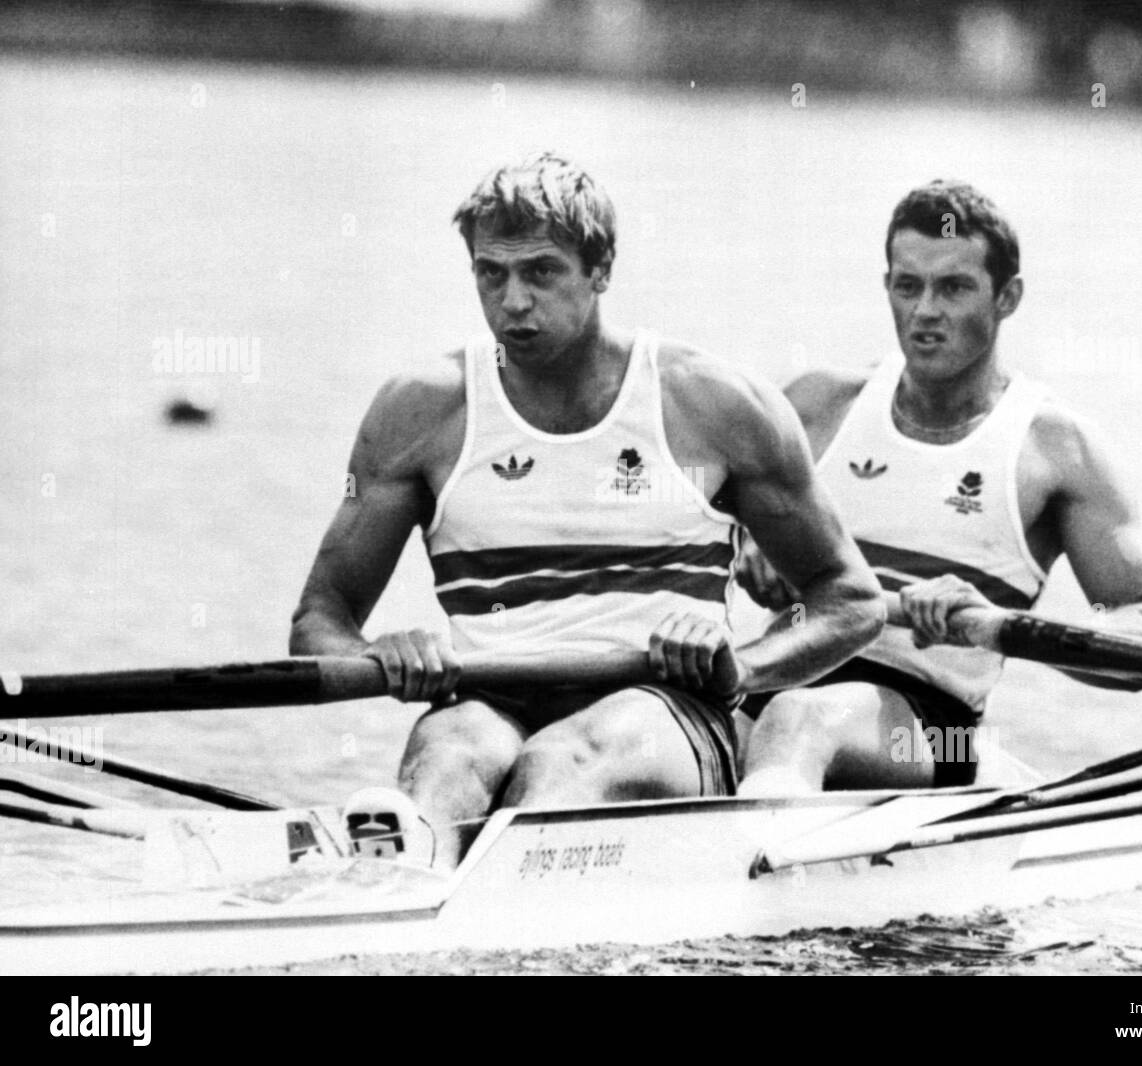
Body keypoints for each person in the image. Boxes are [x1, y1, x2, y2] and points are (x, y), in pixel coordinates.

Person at [290, 152, 885, 870]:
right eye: (491, 273)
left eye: (541, 272)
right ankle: (397, 866)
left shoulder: (714, 405)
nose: (512, 302)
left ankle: (460, 883)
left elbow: (850, 602)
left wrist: (743, 669)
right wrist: (378, 656)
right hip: (489, 702)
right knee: (452, 753)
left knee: (559, 761)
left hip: (666, 712)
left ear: (601, 270)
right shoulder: (418, 412)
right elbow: (319, 619)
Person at [736, 179, 1142, 795]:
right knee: (611, 728)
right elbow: (683, 533)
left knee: (799, 720)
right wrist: (746, 544)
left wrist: (994, 621)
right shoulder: (815, 406)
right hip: (772, 676)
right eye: (907, 285)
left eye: (953, 287)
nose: (925, 311)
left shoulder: (1055, 449)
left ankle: (755, 870)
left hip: (935, 727)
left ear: (1007, 297)